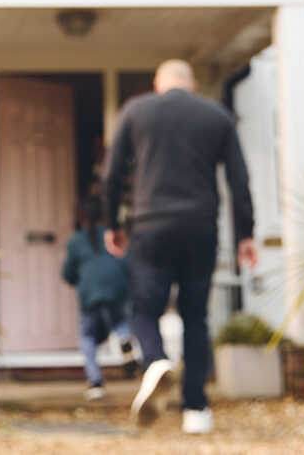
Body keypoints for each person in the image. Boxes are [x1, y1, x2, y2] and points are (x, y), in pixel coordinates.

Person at [101, 59, 258, 434]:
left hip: (151, 227)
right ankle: (196, 410)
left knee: (144, 309)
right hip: (200, 228)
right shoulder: (216, 116)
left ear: (159, 84)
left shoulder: (136, 111)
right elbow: (239, 179)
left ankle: (155, 360)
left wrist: (113, 224)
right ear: (192, 84)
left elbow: (111, 173)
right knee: (195, 316)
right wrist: (245, 234)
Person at [62, 197, 140, 401]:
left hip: (89, 293)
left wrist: (75, 279)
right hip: (116, 289)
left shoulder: (76, 240)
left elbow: (67, 273)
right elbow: (127, 263)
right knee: (119, 321)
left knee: (87, 335)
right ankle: (124, 340)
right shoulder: (114, 236)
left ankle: (95, 382)